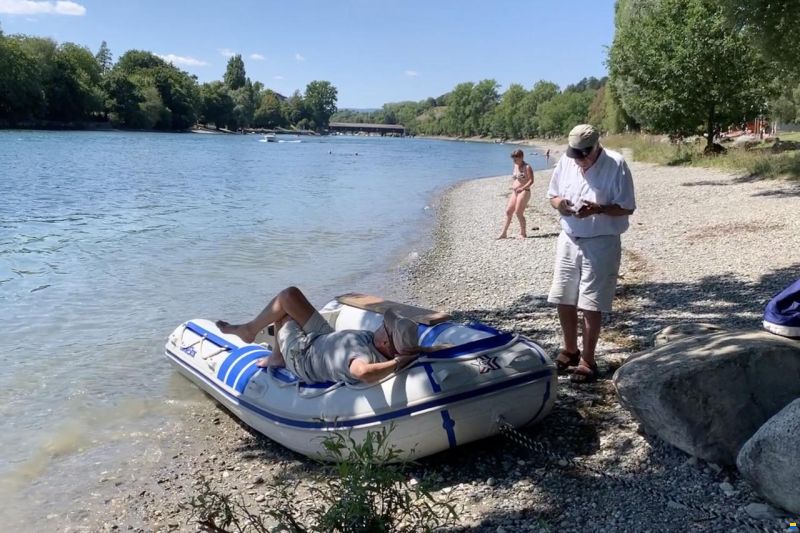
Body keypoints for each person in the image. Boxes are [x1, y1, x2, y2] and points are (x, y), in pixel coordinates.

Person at [546, 124, 636, 383]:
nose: (580, 159)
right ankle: (570, 350)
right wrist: (561, 205)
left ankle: (588, 359)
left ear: (597, 146)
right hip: (569, 237)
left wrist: (599, 209)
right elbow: (552, 195)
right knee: (564, 297)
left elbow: (627, 207)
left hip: (601, 240)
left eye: (584, 153)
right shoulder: (567, 161)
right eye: (576, 154)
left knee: (591, 302)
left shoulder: (616, 164)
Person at [216, 286, 422, 384]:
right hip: (325, 339)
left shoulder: (365, 358)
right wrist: (423, 351)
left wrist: (397, 363)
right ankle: (250, 330)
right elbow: (412, 350)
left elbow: (362, 373)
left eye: (385, 325)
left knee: (281, 314)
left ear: (386, 341)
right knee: (289, 295)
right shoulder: (379, 343)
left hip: (304, 355)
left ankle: (273, 352)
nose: (382, 324)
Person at [498, 149, 534, 239]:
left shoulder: (527, 167)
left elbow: (531, 180)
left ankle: (523, 233)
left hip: (524, 191)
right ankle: (503, 233)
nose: (514, 160)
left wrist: (522, 187)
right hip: (515, 191)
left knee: (518, 212)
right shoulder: (515, 165)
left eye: (516, 158)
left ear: (521, 157)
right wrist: (513, 185)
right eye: (513, 159)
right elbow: (516, 178)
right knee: (508, 211)